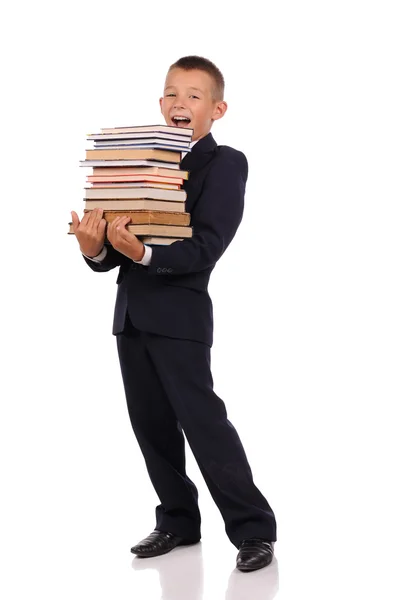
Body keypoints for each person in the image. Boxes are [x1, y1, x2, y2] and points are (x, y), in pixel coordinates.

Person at [71, 55, 277, 572]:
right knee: (150, 426)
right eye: (171, 94)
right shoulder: (140, 159)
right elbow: (111, 256)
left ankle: (254, 531)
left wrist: (142, 253)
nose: (179, 103)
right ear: (159, 104)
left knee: (204, 424)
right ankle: (178, 522)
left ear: (217, 108)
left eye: (193, 95)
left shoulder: (225, 162)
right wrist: (95, 247)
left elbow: (207, 246)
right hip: (131, 316)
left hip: (181, 319)